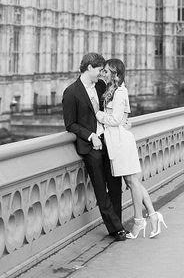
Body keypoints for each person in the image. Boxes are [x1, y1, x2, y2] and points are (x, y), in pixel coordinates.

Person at [96, 58, 167, 239]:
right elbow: (125, 117)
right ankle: (152, 215)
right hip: (117, 141)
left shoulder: (119, 92)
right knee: (132, 181)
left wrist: (97, 113)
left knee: (132, 182)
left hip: (120, 143)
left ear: (116, 75)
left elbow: (116, 120)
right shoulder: (112, 91)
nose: (103, 73)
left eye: (106, 71)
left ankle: (139, 220)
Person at [62, 52, 127, 241]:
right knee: (100, 187)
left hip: (108, 140)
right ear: (89, 68)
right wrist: (90, 136)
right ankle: (116, 229)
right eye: (100, 70)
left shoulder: (100, 86)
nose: (102, 74)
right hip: (90, 146)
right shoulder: (71, 92)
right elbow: (70, 124)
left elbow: (114, 106)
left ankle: (119, 225)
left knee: (115, 185)